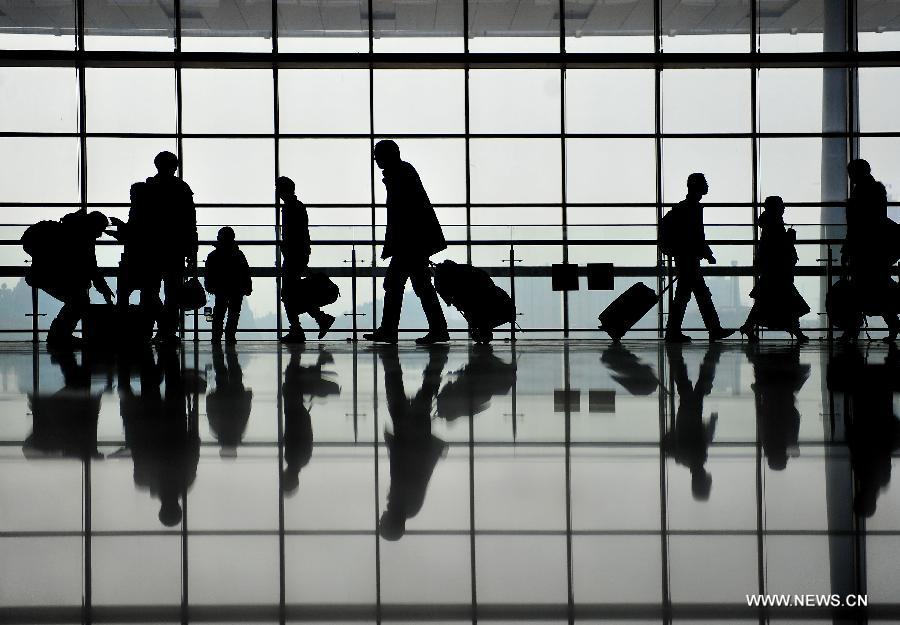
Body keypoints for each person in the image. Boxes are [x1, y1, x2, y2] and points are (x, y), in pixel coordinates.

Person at [363, 140, 449, 345]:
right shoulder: (403, 172)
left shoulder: (399, 176)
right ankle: (436, 329)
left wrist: (392, 245)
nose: (375, 159)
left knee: (396, 284)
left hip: (410, 244)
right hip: (414, 243)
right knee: (419, 286)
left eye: (377, 155)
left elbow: (401, 217)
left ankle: (391, 330)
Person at [378, 346, 448, 540]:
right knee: (398, 395)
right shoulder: (402, 504)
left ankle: (437, 361)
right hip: (409, 436)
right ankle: (391, 357)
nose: (380, 518)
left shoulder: (409, 508)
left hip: (416, 438)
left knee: (423, 397)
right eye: (382, 522)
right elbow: (402, 469)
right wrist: (393, 444)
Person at [25, 209, 115, 349]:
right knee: (79, 301)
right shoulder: (83, 238)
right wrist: (103, 288)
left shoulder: (71, 231)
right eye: (100, 229)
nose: (100, 234)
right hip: (48, 275)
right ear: (94, 226)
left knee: (78, 301)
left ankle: (59, 335)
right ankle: (59, 335)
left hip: (42, 274)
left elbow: (89, 267)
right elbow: (91, 267)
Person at [664, 173, 734, 343]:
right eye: (705, 183)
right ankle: (710, 330)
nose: (707, 186)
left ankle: (677, 331)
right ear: (697, 186)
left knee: (691, 295)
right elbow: (696, 235)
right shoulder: (692, 208)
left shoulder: (684, 207)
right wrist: (708, 254)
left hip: (685, 258)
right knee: (693, 295)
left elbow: (694, 235)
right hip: (689, 260)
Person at [841, 159, 900, 342]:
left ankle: (853, 329)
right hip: (875, 249)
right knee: (877, 290)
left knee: (861, 290)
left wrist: (847, 249)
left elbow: (856, 227)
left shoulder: (861, 192)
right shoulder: (876, 189)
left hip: (865, 250)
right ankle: (892, 326)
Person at [739, 196, 810, 342]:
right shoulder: (775, 224)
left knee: (766, 302)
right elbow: (779, 246)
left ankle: (749, 327)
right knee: (787, 301)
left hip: (773, 269)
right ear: (776, 208)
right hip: (779, 269)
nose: (784, 208)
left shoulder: (768, 223)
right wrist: (790, 238)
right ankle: (795, 330)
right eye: (781, 205)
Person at [144, 151, 197, 346]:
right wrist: (192, 251)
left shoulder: (149, 187)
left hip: (151, 249)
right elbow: (190, 223)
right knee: (172, 293)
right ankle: (168, 330)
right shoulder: (181, 189)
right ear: (174, 167)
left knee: (150, 291)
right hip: (175, 249)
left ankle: (154, 328)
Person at [276, 176, 335, 344]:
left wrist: (289, 254)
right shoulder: (297, 206)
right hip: (298, 255)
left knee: (288, 294)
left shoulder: (290, 208)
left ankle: (298, 329)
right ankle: (318, 320)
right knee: (292, 294)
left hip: (293, 256)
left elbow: (293, 235)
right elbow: (303, 234)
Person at [663, 343, 720, 500]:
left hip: (693, 413)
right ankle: (676, 358)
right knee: (685, 385)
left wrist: (713, 420)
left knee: (699, 387)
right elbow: (669, 441)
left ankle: (711, 357)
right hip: (684, 416)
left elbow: (706, 436)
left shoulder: (697, 457)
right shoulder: (682, 459)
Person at [110, 181, 158, 341]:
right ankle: (148, 331)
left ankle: (124, 330)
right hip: (149, 262)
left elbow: (133, 236)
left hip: (134, 261)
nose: (131, 197)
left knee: (124, 296)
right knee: (150, 297)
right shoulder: (151, 211)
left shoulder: (138, 211)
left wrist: (119, 227)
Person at [204, 226, 252, 345]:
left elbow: (208, 273)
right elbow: (245, 272)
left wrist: (209, 285)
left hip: (220, 288)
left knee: (219, 313)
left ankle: (216, 337)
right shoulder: (239, 254)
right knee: (234, 312)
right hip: (237, 288)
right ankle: (230, 336)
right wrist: (247, 286)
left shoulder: (213, 255)